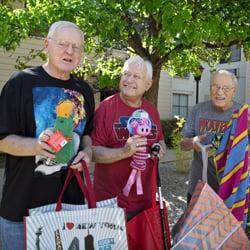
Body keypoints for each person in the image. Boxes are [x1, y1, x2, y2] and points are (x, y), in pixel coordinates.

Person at [0, 21, 95, 249]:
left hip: (69, 208)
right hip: (21, 210)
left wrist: (88, 153)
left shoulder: (84, 91)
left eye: (76, 47)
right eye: (62, 44)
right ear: (46, 45)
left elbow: (87, 135)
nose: (69, 51)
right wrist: (35, 146)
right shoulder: (20, 83)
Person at [91, 55, 167, 219]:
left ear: (148, 84)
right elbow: (93, 153)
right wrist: (124, 151)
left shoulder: (151, 110)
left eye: (136, 76)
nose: (129, 80)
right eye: (126, 74)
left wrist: (160, 148)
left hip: (145, 202)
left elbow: (160, 140)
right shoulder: (106, 108)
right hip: (110, 204)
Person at [180, 69, 241, 203]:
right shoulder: (197, 110)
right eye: (215, 86)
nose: (219, 92)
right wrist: (192, 142)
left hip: (230, 192)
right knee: (195, 225)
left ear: (234, 91)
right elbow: (182, 144)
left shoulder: (242, 116)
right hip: (198, 189)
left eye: (226, 88)